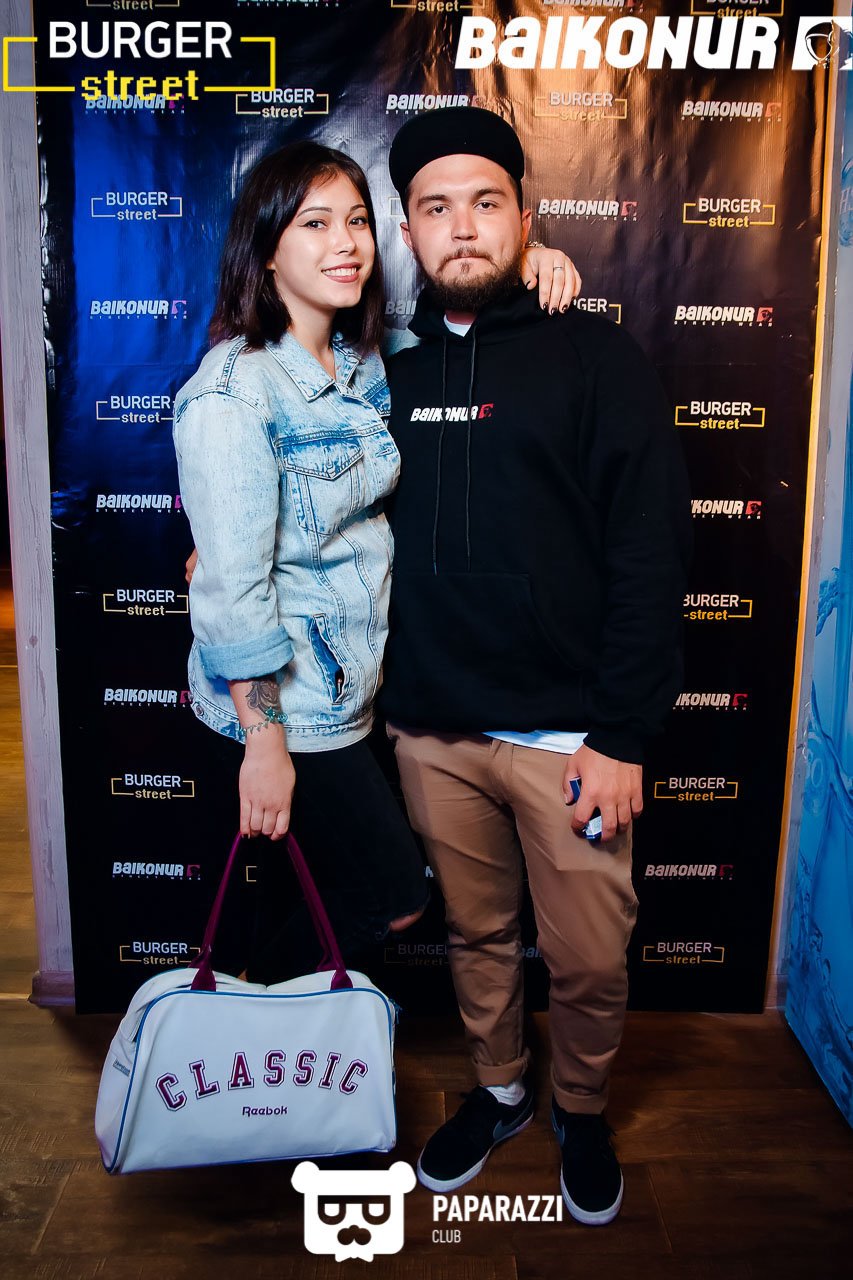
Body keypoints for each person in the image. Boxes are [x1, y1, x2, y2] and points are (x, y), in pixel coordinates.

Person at [379, 107, 692, 1224]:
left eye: (486, 201)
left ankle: (581, 1106)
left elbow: (650, 553)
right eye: (435, 207)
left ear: (526, 216)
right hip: (431, 728)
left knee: (590, 958)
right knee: (476, 936)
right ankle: (502, 1088)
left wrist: (621, 733)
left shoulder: (594, 357)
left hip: (569, 737)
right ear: (408, 230)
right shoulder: (379, 375)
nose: (462, 226)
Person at [173, 140, 581, 982]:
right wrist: (263, 745)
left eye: (356, 221)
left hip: (353, 694)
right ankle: (256, 1027)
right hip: (288, 710)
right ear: (266, 249)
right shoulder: (232, 391)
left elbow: (462, 321)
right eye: (314, 223)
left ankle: (279, 1044)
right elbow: (232, 596)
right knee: (390, 896)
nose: (345, 244)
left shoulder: (366, 365)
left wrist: (527, 258)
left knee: (317, 893)